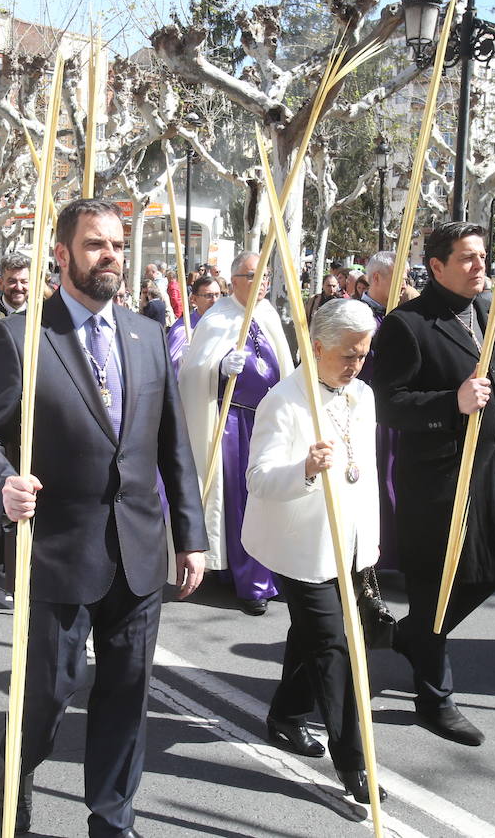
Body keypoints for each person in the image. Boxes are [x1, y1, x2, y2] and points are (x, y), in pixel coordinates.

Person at [0, 198, 207, 837]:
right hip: (58, 553)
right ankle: (20, 776)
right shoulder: (20, 339)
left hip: (140, 551)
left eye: (118, 246)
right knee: (49, 693)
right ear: (62, 255)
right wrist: (2, 486)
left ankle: (111, 817)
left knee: (126, 694)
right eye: (96, 245)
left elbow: (171, 445)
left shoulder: (148, 336)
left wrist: (191, 536)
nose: (112, 258)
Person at [369, 221, 495, 747]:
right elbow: (386, 403)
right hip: (438, 479)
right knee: (436, 585)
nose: (480, 266)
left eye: (483, 256)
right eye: (467, 258)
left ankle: (411, 635)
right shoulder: (407, 325)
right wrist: (448, 403)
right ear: (436, 266)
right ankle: (435, 697)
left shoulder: (494, 313)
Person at [241, 299, 387, 807]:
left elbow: (362, 475)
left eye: (363, 355)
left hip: (348, 545)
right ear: (317, 346)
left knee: (310, 639)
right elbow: (258, 479)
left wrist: (368, 538)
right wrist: (303, 469)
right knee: (335, 647)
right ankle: (354, 763)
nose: (357, 364)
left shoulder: (362, 395)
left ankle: (285, 715)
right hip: (298, 548)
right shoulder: (284, 400)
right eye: (348, 355)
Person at [180, 250, 294, 615]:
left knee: (274, 495)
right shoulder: (217, 318)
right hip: (234, 424)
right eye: (252, 276)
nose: (260, 284)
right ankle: (251, 582)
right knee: (243, 500)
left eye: (264, 277)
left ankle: (275, 572)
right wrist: (218, 366)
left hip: (270, 420)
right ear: (234, 280)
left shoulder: (268, 313)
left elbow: (285, 364)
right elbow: (191, 372)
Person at [167, 274, 221, 376]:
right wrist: (181, 361)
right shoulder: (183, 329)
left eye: (217, 295)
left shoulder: (225, 324)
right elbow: (169, 367)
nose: (214, 300)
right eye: (208, 296)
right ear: (194, 299)